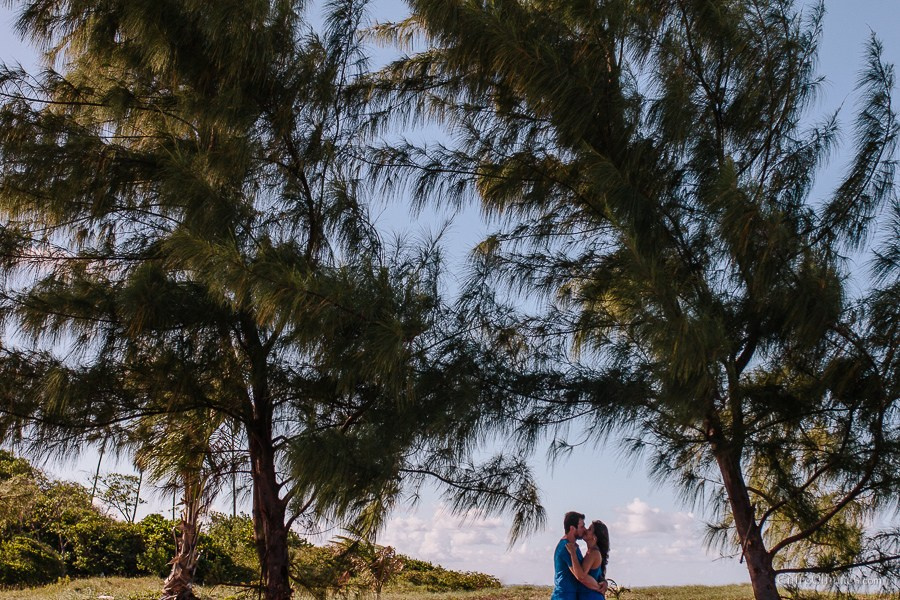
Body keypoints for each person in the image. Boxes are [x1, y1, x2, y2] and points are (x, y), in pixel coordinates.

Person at [566, 520, 610, 600]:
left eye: (589, 529)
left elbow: (581, 576)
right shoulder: (592, 552)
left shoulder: (594, 553)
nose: (585, 530)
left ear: (594, 537)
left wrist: (573, 553)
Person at [551, 511, 586, 600]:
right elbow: (580, 576)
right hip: (563, 597)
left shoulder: (573, 547)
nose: (584, 529)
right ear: (572, 528)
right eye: (581, 527)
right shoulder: (566, 547)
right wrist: (597, 587)